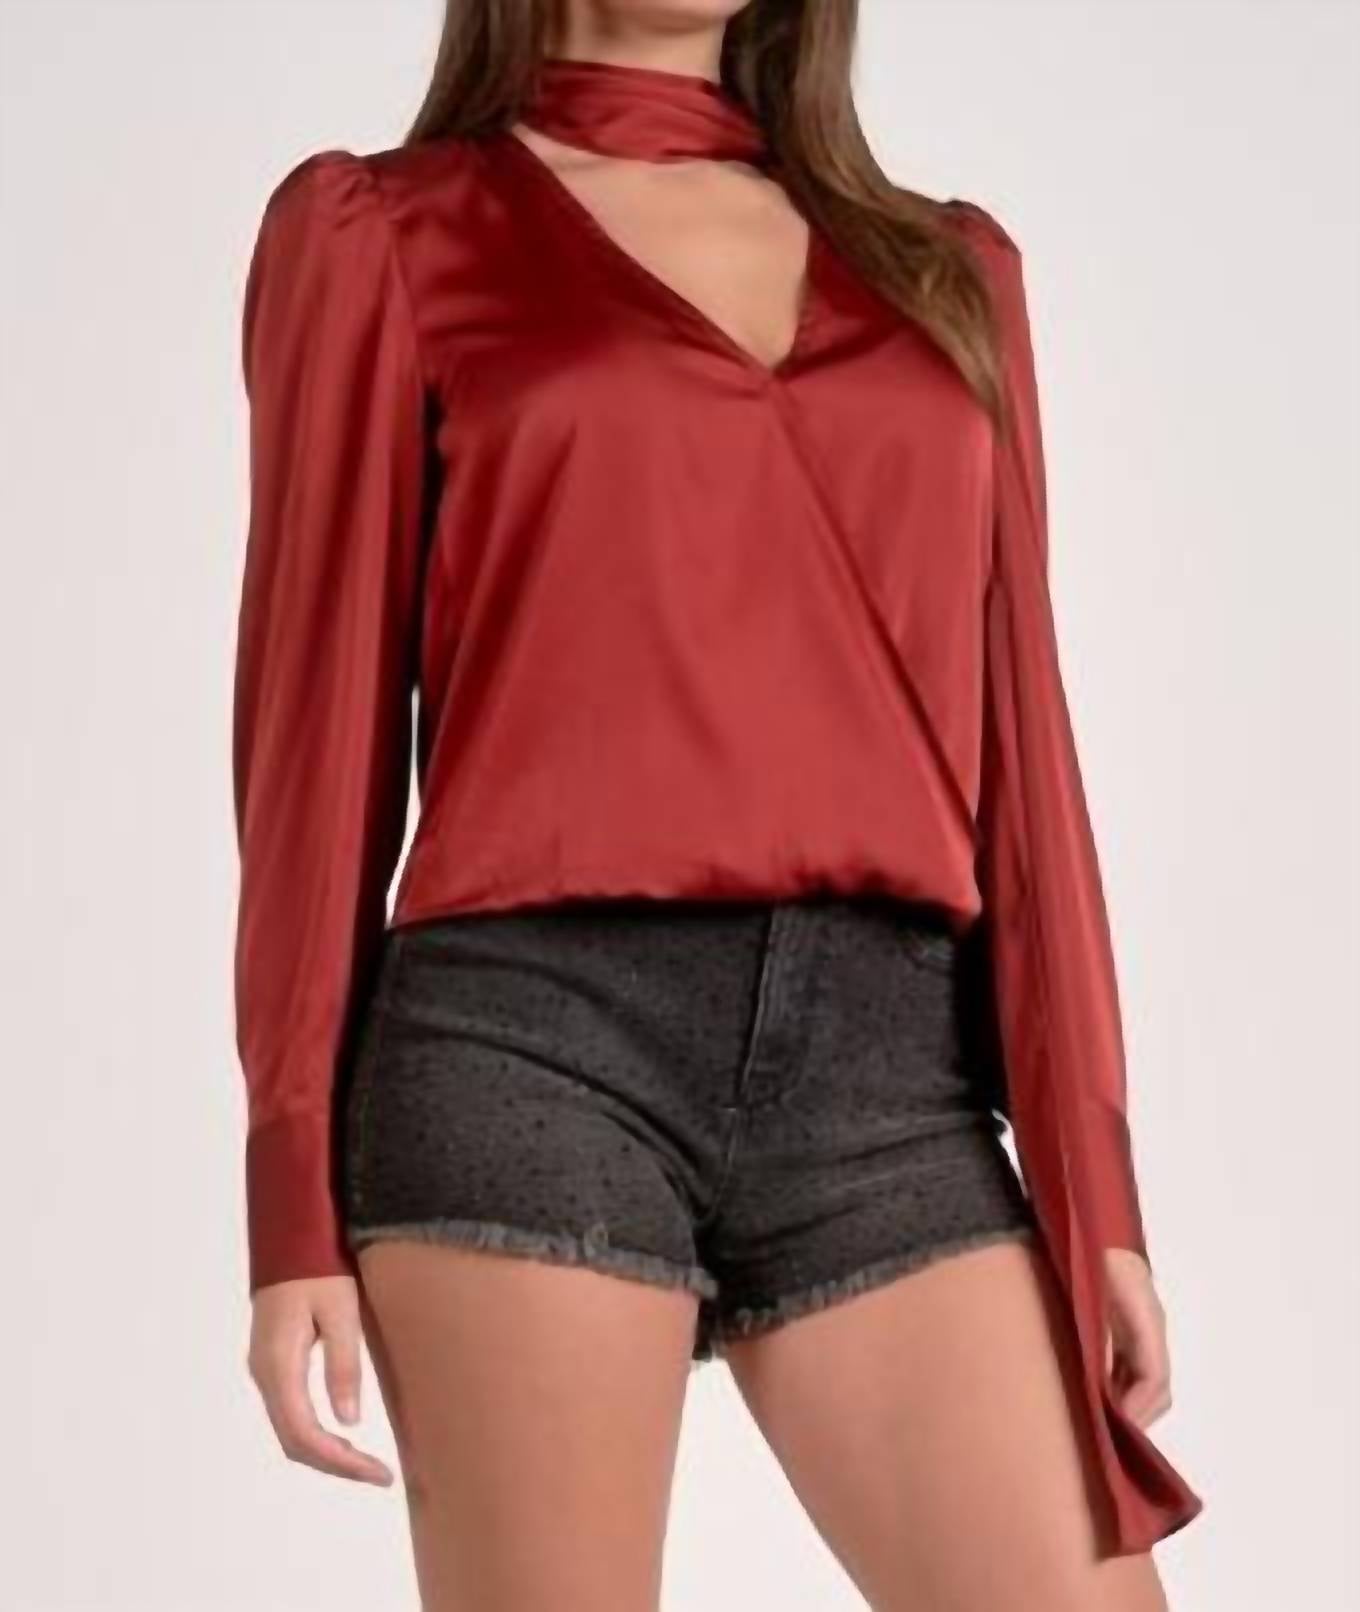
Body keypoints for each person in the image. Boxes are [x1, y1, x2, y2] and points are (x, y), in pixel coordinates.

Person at [230, 2, 1204, 1606]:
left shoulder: (946, 273)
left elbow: (1026, 746)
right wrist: (289, 1194)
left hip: (886, 1082)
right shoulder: (384, 234)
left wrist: (1092, 1173)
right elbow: (312, 743)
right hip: (535, 1045)